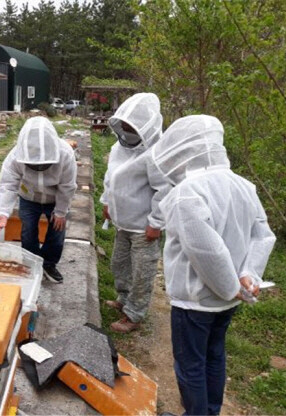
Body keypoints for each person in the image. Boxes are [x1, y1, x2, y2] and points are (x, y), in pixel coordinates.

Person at [153, 115, 275, 416]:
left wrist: (232, 286)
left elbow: (205, 249)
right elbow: (262, 234)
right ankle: (209, 411)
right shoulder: (244, 185)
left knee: (191, 363)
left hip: (195, 300)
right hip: (229, 297)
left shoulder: (187, 192)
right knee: (214, 355)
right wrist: (247, 276)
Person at [99, 92, 169, 333]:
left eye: (132, 126)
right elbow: (111, 179)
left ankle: (134, 315)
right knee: (119, 264)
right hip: (123, 223)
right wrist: (106, 202)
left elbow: (165, 190)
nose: (127, 130)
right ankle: (124, 299)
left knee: (142, 272)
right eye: (125, 125)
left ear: (146, 128)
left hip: (143, 228)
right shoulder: (119, 148)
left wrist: (156, 223)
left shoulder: (156, 155)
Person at [0, 116, 77, 284]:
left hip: (55, 199)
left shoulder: (65, 154)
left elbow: (67, 186)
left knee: (57, 231)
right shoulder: (15, 156)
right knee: (28, 230)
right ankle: (31, 263)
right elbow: (7, 184)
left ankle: (49, 264)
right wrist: (3, 211)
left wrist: (60, 212)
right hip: (28, 197)